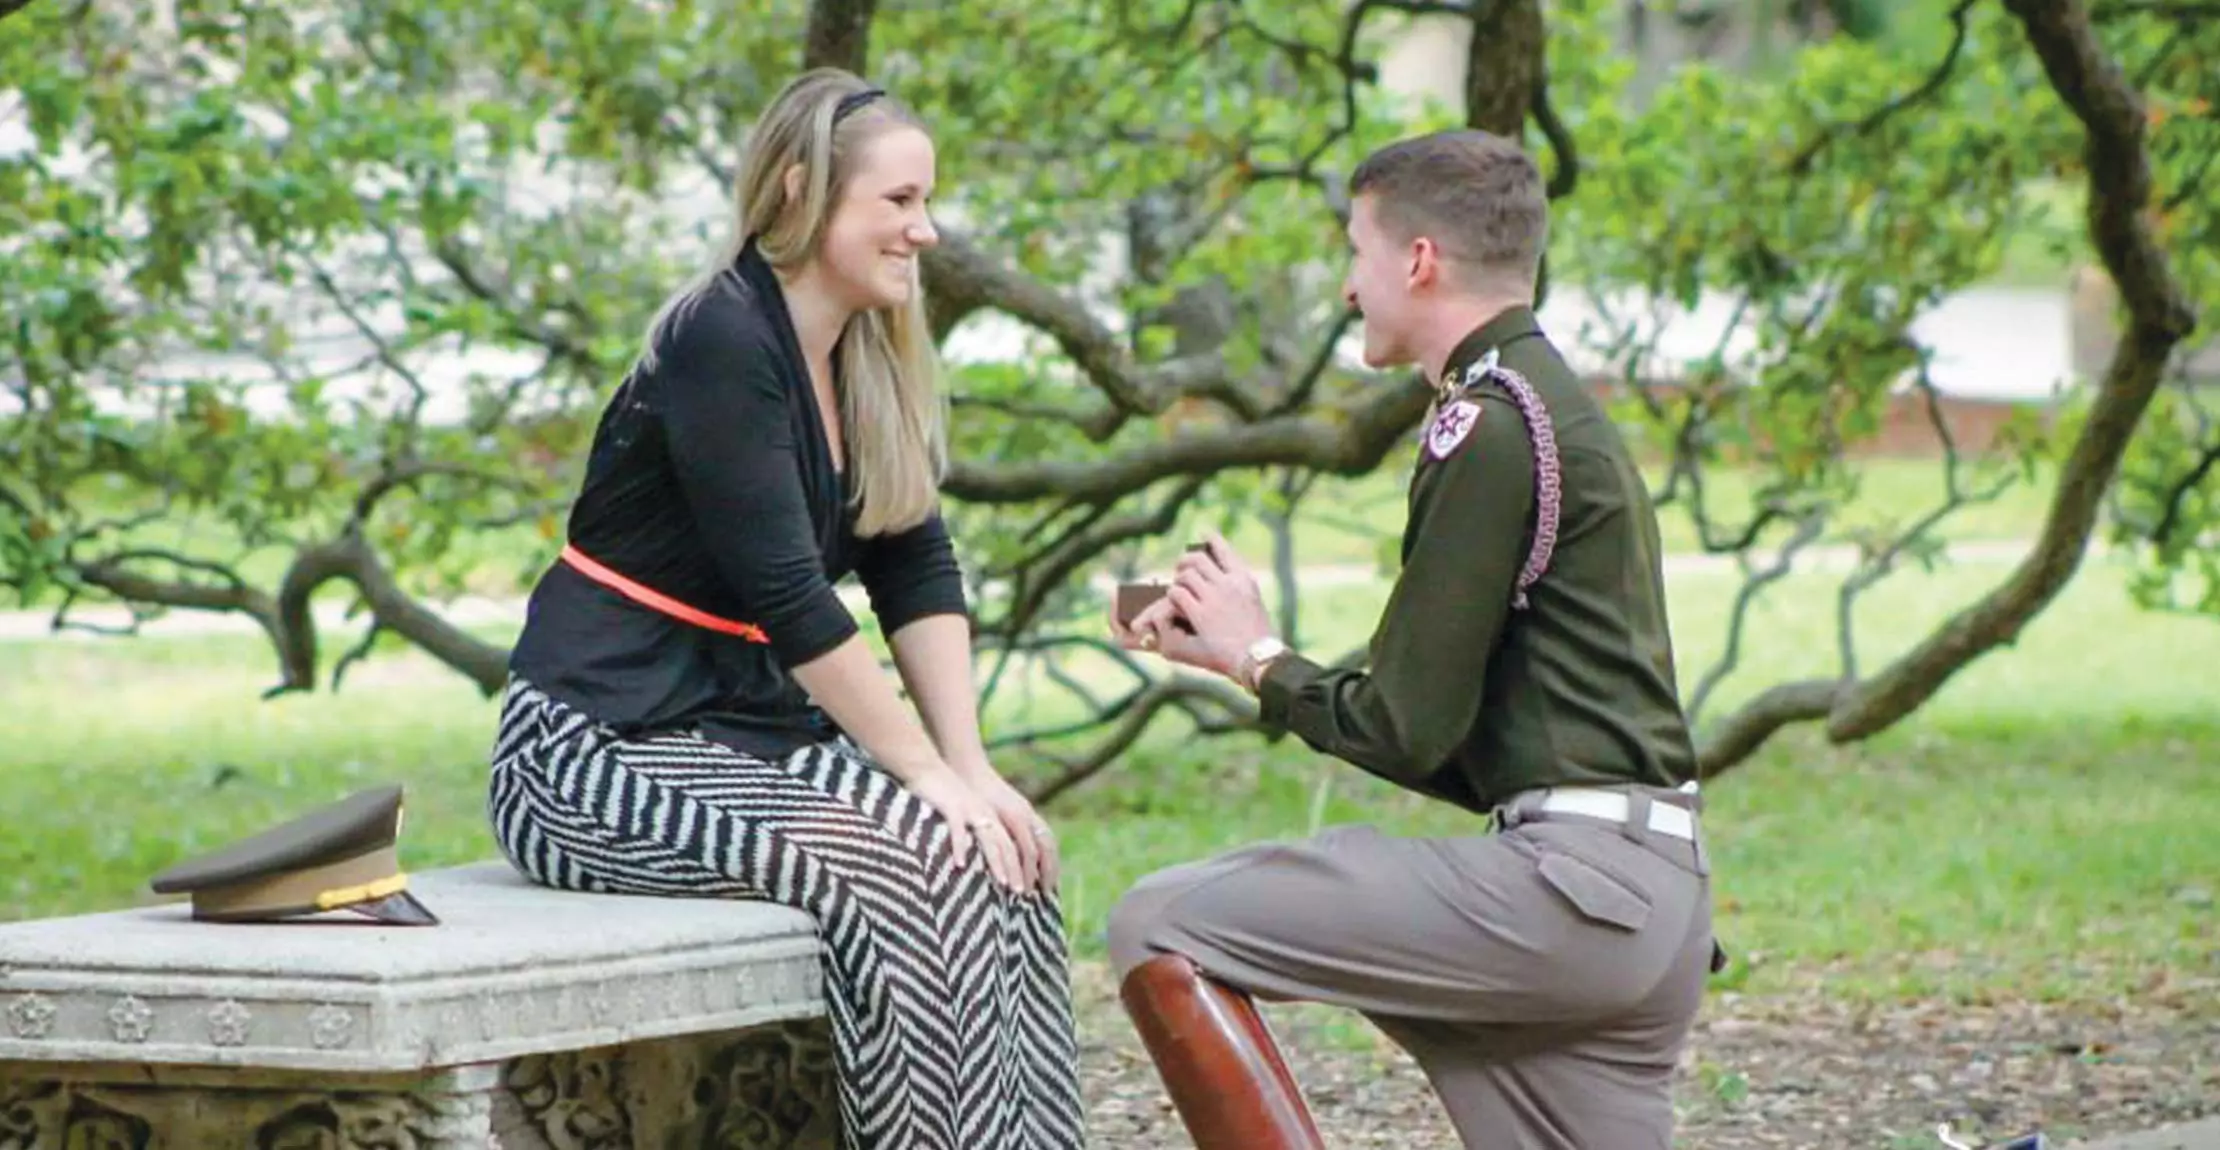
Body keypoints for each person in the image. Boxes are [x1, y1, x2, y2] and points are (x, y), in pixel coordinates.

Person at [486, 68, 1084, 1150]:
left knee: (1010, 863)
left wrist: (974, 769)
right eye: (898, 203)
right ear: (804, 191)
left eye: (926, 201)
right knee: (914, 876)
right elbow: (791, 600)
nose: (927, 232)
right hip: (595, 742)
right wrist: (922, 776)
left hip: (746, 735)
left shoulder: (868, 353)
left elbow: (916, 564)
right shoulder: (719, 338)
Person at [1109, 128, 1719, 1150]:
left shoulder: (1487, 423)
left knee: (1157, 922)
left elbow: (1405, 724)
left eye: (1356, 252)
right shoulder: (1554, 406)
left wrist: (1264, 660)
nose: (1350, 286)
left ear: (1419, 260)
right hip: (1652, 906)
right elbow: (1471, 749)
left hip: (1571, 902)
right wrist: (1241, 659)